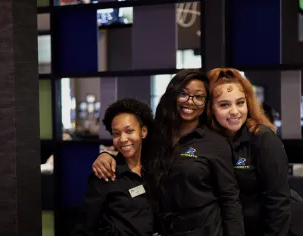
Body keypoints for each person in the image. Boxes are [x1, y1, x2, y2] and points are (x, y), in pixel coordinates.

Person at [92, 70, 244, 236]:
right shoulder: (157, 136)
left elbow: (230, 201)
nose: (190, 101)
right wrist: (105, 155)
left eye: (199, 97)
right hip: (164, 229)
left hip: (204, 230)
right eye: (183, 94)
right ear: (173, 95)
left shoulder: (215, 143)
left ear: (206, 102)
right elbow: (128, 147)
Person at [207, 68, 303, 236]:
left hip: (283, 225)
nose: (235, 111)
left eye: (240, 102)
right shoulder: (211, 141)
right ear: (210, 108)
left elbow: (278, 201)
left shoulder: (262, 137)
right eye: (224, 105)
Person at [74, 97, 155, 236]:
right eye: (116, 134)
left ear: (143, 132)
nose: (123, 139)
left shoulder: (155, 168)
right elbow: (86, 226)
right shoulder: (105, 173)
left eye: (129, 131)